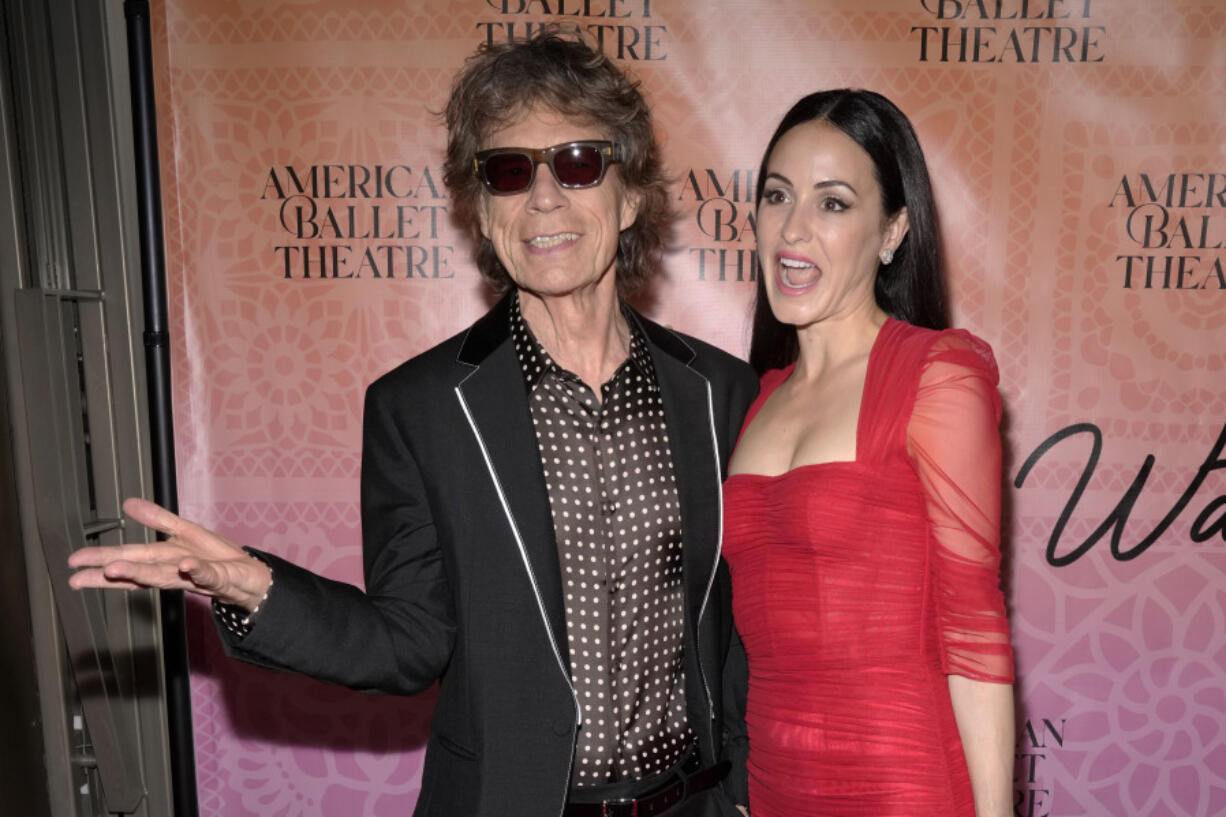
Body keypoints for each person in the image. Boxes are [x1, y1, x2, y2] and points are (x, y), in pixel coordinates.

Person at [68, 32, 757, 817]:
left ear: (630, 194)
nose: (542, 198)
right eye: (507, 171)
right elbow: (408, 640)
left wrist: (743, 791)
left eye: (576, 162)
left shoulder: (720, 394)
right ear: (479, 210)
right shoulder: (420, 408)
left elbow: (748, 632)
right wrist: (255, 587)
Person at [720, 89, 1015, 817]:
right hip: (775, 789)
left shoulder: (935, 374)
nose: (792, 230)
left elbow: (974, 632)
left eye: (833, 204)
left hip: (902, 784)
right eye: (777, 196)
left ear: (893, 231)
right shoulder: (756, 398)